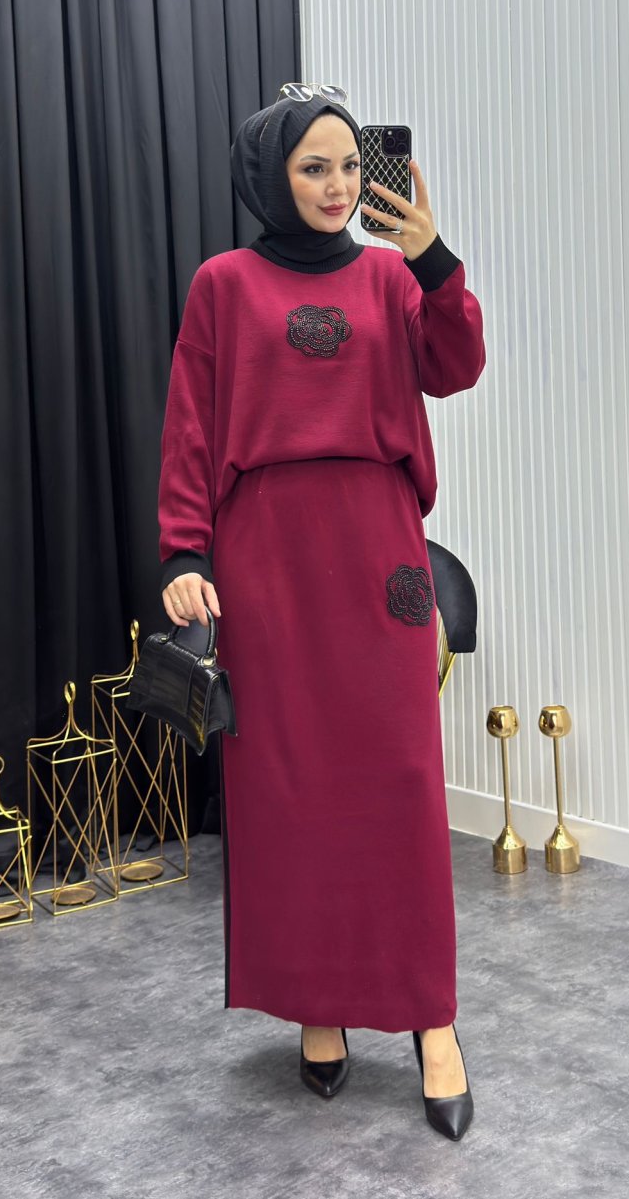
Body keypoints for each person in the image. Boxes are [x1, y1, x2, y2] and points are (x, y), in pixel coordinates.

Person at [157, 85, 485, 1141]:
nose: (339, 185)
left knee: (399, 783)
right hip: (267, 562)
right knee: (287, 791)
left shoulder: (392, 277)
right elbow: (191, 424)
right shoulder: (222, 284)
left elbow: (457, 366)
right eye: (315, 167)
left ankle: (433, 1019)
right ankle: (319, 1005)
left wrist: (433, 259)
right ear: (272, 174)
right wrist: (184, 550)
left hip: (379, 552)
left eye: (350, 165)